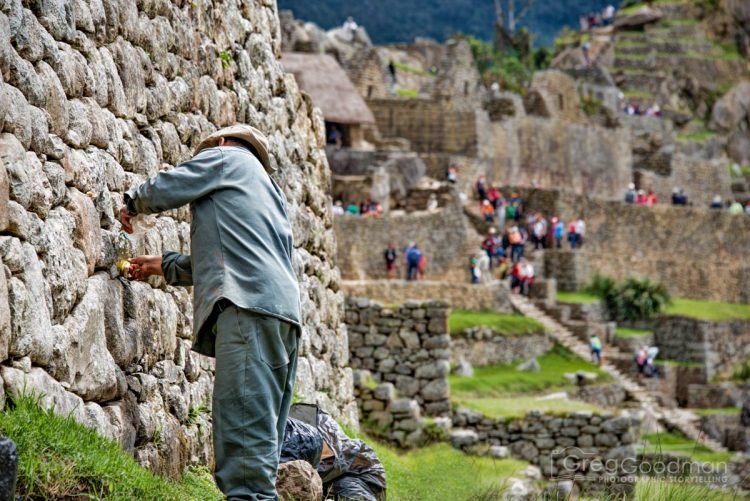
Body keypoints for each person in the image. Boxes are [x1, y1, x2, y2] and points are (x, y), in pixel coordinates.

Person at [121, 125, 300, 499]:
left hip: (249, 311)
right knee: (261, 452)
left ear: (220, 144)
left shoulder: (227, 158)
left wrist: (132, 202)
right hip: (282, 319)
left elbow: (173, 183)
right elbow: (232, 255)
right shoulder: (270, 193)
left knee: (245, 464)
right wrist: (163, 265)